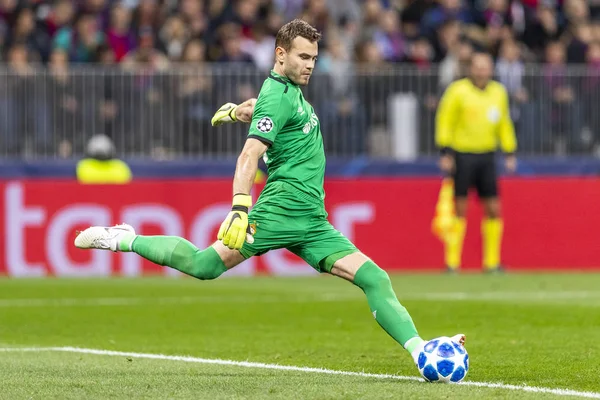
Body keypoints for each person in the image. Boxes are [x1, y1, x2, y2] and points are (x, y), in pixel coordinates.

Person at [74, 19, 464, 373]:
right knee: (204, 265)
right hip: (281, 209)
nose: (311, 64)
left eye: (314, 57)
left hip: (312, 220)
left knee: (375, 279)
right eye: (303, 56)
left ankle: (421, 352)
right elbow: (250, 154)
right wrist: (240, 208)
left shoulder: (286, 92)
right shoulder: (279, 94)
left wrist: (236, 112)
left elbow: (267, 111)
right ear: (281, 54)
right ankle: (123, 238)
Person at [435, 52, 517, 273]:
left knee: (494, 208)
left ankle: (491, 262)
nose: (482, 71)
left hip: (487, 155)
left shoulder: (498, 92)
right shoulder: (457, 91)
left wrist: (510, 151)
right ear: (470, 68)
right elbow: (445, 120)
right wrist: (445, 151)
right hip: (462, 155)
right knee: (460, 208)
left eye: (486, 67)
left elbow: (504, 123)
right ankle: (452, 262)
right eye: (478, 67)